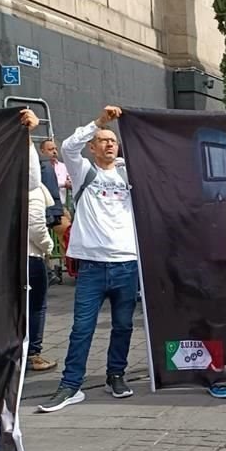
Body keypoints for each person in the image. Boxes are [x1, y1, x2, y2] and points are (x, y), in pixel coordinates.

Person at [38, 106, 139, 412]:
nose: (109, 143)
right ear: (93, 148)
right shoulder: (83, 170)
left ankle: (115, 375)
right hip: (93, 265)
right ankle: (71, 385)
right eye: (103, 140)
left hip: (126, 262)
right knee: (82, 327)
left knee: (123, 326)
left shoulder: (128, 172)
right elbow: (69, 145)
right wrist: (98, 122)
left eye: (113, 140)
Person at [21, 110, 58, 372]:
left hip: (3, 256)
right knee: (36, 307)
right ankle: (33, 354)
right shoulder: (31, 188)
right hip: (30, 256)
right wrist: (48, 247)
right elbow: (36, 225)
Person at [39, 138, 72, 207]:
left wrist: (71, 183)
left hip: (61, 205)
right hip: (45, 205)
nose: (54, 152)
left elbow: (72, 181)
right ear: (42, 152)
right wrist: (64, 183)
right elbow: (45, 184)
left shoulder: (64, 166)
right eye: (50, 149)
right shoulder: (39, 167)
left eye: (56, 149)